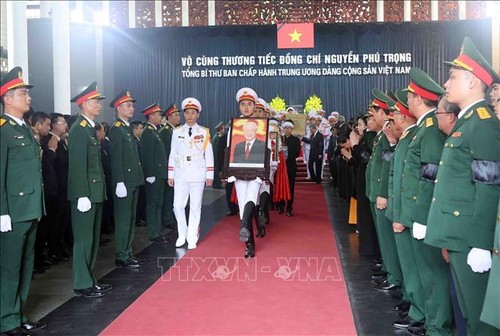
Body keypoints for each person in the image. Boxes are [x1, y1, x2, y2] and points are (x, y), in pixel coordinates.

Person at [425, 37, 500, 336]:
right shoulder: (467, 123)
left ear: (472, 82)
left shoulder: (482, 125)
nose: (446, 82)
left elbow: (488, 186)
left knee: (480, 319)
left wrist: (482, 244)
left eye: (453, 76)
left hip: (471, 238)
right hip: (459, 238)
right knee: (468, 313)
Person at [0, 67, 47, 335]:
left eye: (27, 93)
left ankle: (18, 313)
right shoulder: (4, 131)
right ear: (7, 98)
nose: (27, 98)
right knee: (9, 268)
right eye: (22, 93)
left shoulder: (26, 130)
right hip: (13, 211)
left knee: (26, 264)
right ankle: (7, 319)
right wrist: (2, 211)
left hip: (30, 209)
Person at [68, 82, 111, 298]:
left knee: (92, 238)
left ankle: (89, 279)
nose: (99, 105)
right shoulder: (79, 130)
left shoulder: (89, 129)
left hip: (94, 192)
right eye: (95, 101)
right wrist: (82, 193)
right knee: (84, 239)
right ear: (84, 104)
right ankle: (82, 282)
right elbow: (77, 165)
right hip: (85, 193)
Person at [168, 98, 214, 249]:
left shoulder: (204, 132)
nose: (189, 116)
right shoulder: (176, 132)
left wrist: (209, 175)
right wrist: (171, 174)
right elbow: (172, 153)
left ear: (197, 115)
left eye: (193, 113)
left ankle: (192, 236)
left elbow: (209, 154)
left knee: (195, 206)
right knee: (177, 205)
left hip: (197, 172)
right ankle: (182, 233)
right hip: (181, 173)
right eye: (187, 113)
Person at [107, 89, 145, 269]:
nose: (132, 108)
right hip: (125, 181)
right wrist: (119, 181)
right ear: (118, 108)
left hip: (133, 179)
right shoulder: (116, 130)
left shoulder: (127, 128)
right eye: (128, 105)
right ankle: (122, 254)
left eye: (132, 105)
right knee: (123, 219)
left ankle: (128, 251)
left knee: (130, 218)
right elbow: (116, 158)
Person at [226, 87, 266, 258]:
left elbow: (268, 149)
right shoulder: (234, 126)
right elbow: (230, 149)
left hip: (256, 173)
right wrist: (229, 171)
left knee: (251, 199)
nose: (246, 107)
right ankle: (249, 244)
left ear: (254, 105)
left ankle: (244, 225)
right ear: (239, 106)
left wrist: (263, 172)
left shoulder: (262, 125)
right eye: (243, 104)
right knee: (243, 205)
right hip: (239, 172)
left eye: (249, 104)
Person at [139, 103, 168, 243]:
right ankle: (153, 232)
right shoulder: (148, 132)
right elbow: (147, 155)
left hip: (159, 174)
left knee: (158, 203)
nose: (160, 117)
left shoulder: (154, 131)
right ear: (151, 116)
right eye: (157, 114)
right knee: (153, 204)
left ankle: (157, 230)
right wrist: (149, 174)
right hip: (153, 175)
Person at [159, 103, 179, 238]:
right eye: (176, 115)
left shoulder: (174, 131)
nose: (179, 117)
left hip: (177, 169)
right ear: (169, 117)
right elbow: (167, 153)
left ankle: (171, 217)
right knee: (168, 195)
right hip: (169, 169)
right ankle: (167, 219)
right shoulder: (166, 132)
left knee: (173, 195)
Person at [279, 120, 301, 216]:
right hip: (280, 166)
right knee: (280, 185)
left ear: (292, 129)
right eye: (285, 128)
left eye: (289, 128)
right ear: (283, 129)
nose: (287, 130)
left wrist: (288, 157)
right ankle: (281, 205)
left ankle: (289, 207)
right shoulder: (280, 139)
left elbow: (297, 153)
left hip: (291, 165)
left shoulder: (296, 140)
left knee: (290, 186)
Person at [212, 121, 225, 189]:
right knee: (216, 170)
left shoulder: (215, 136)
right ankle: (217, 184)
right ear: (221, 129)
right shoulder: (218, 137)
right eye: (223, 128)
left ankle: (217, 183)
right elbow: (217, 149)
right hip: (216, 156)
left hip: (214, 156)